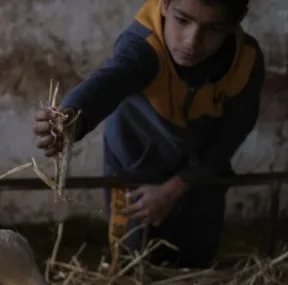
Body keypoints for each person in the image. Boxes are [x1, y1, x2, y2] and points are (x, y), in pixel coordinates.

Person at [35, 0, 265, 269]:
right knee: (132, 257)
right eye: (182, 20)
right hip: (135, 163)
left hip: (201, 166)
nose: (192, 41)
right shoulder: (144, 44)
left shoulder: (245, 61)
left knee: (196, 259)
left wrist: (175, 188)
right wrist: (70, 118)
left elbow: (232, 133)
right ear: (165, 4)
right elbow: (111, 80)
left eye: (213, 28)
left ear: (236, 22)